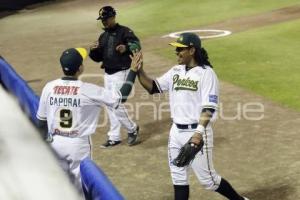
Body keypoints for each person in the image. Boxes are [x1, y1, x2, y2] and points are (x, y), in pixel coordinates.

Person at [134, 33, 249, 200]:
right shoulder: (176, 70)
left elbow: (209, 107)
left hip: (196, 133)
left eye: (180, 49)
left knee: (208, 181)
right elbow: (153, 87)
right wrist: (139, 71)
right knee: (178, 176)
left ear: (192, 50)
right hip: (176, 132)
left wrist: (198, 133)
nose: (177, 52)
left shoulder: (206, 74)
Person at [36, 47, 142, 194]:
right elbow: (121, 96)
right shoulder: (88, 90)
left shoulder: (49, 87)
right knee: (79, 190)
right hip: (77, 146)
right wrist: (133, 71)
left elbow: (41, 122)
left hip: (55, 142)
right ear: (80, 68)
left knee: (58, 187)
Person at [89, 5, 141, 148]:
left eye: (106, 19)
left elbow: (136, 45)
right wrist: (92, 51)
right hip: (108, 73)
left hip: (122, 72)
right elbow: (99, 57)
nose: (104, 22)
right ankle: (114, 136)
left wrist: (126, 48)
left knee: (115, 103)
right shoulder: (103, 36)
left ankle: (132, 128)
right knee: (110, 104)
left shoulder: (125, 32)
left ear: (113, 17)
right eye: (102, 19)